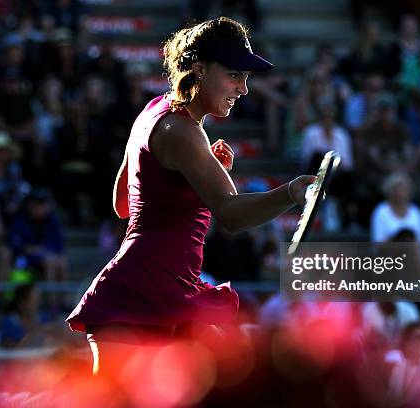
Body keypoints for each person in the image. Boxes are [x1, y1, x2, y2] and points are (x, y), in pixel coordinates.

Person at [66, 17, 315, 375]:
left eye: (245, 78)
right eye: (234, 75)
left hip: (160, 296)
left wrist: (196, 175)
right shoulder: (181, 130)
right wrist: (291, 191)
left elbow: (123, 204)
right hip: (137, 300)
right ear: (198, 69)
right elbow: (231, 214)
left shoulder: (154, 109)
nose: (243, 89)